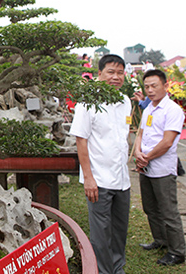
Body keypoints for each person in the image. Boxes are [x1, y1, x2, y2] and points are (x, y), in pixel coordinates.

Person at [70, 54, 132, 274]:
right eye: (111, 72)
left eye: (120, 72)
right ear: (99, 74)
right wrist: (88, 177)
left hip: (122, 179)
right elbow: (81, 140)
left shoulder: (125, 101)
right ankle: (104, 271)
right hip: (99, 179)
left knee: (119, 230)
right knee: (100, 232)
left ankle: (118, 268)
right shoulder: (87, 101)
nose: (116, 77)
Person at [133, 69, 186, 266]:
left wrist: (146, 157)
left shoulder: (172, 110)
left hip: (162, 168)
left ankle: (177, 251)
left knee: (168, 210)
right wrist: (138, 153)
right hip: (145, 166)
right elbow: (140, 133)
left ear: (165, 86)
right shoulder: (148, 109)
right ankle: (160, 240)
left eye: (154, 86)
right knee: (150, 207)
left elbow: (167, 141)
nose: (150, 90)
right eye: (146, 86)